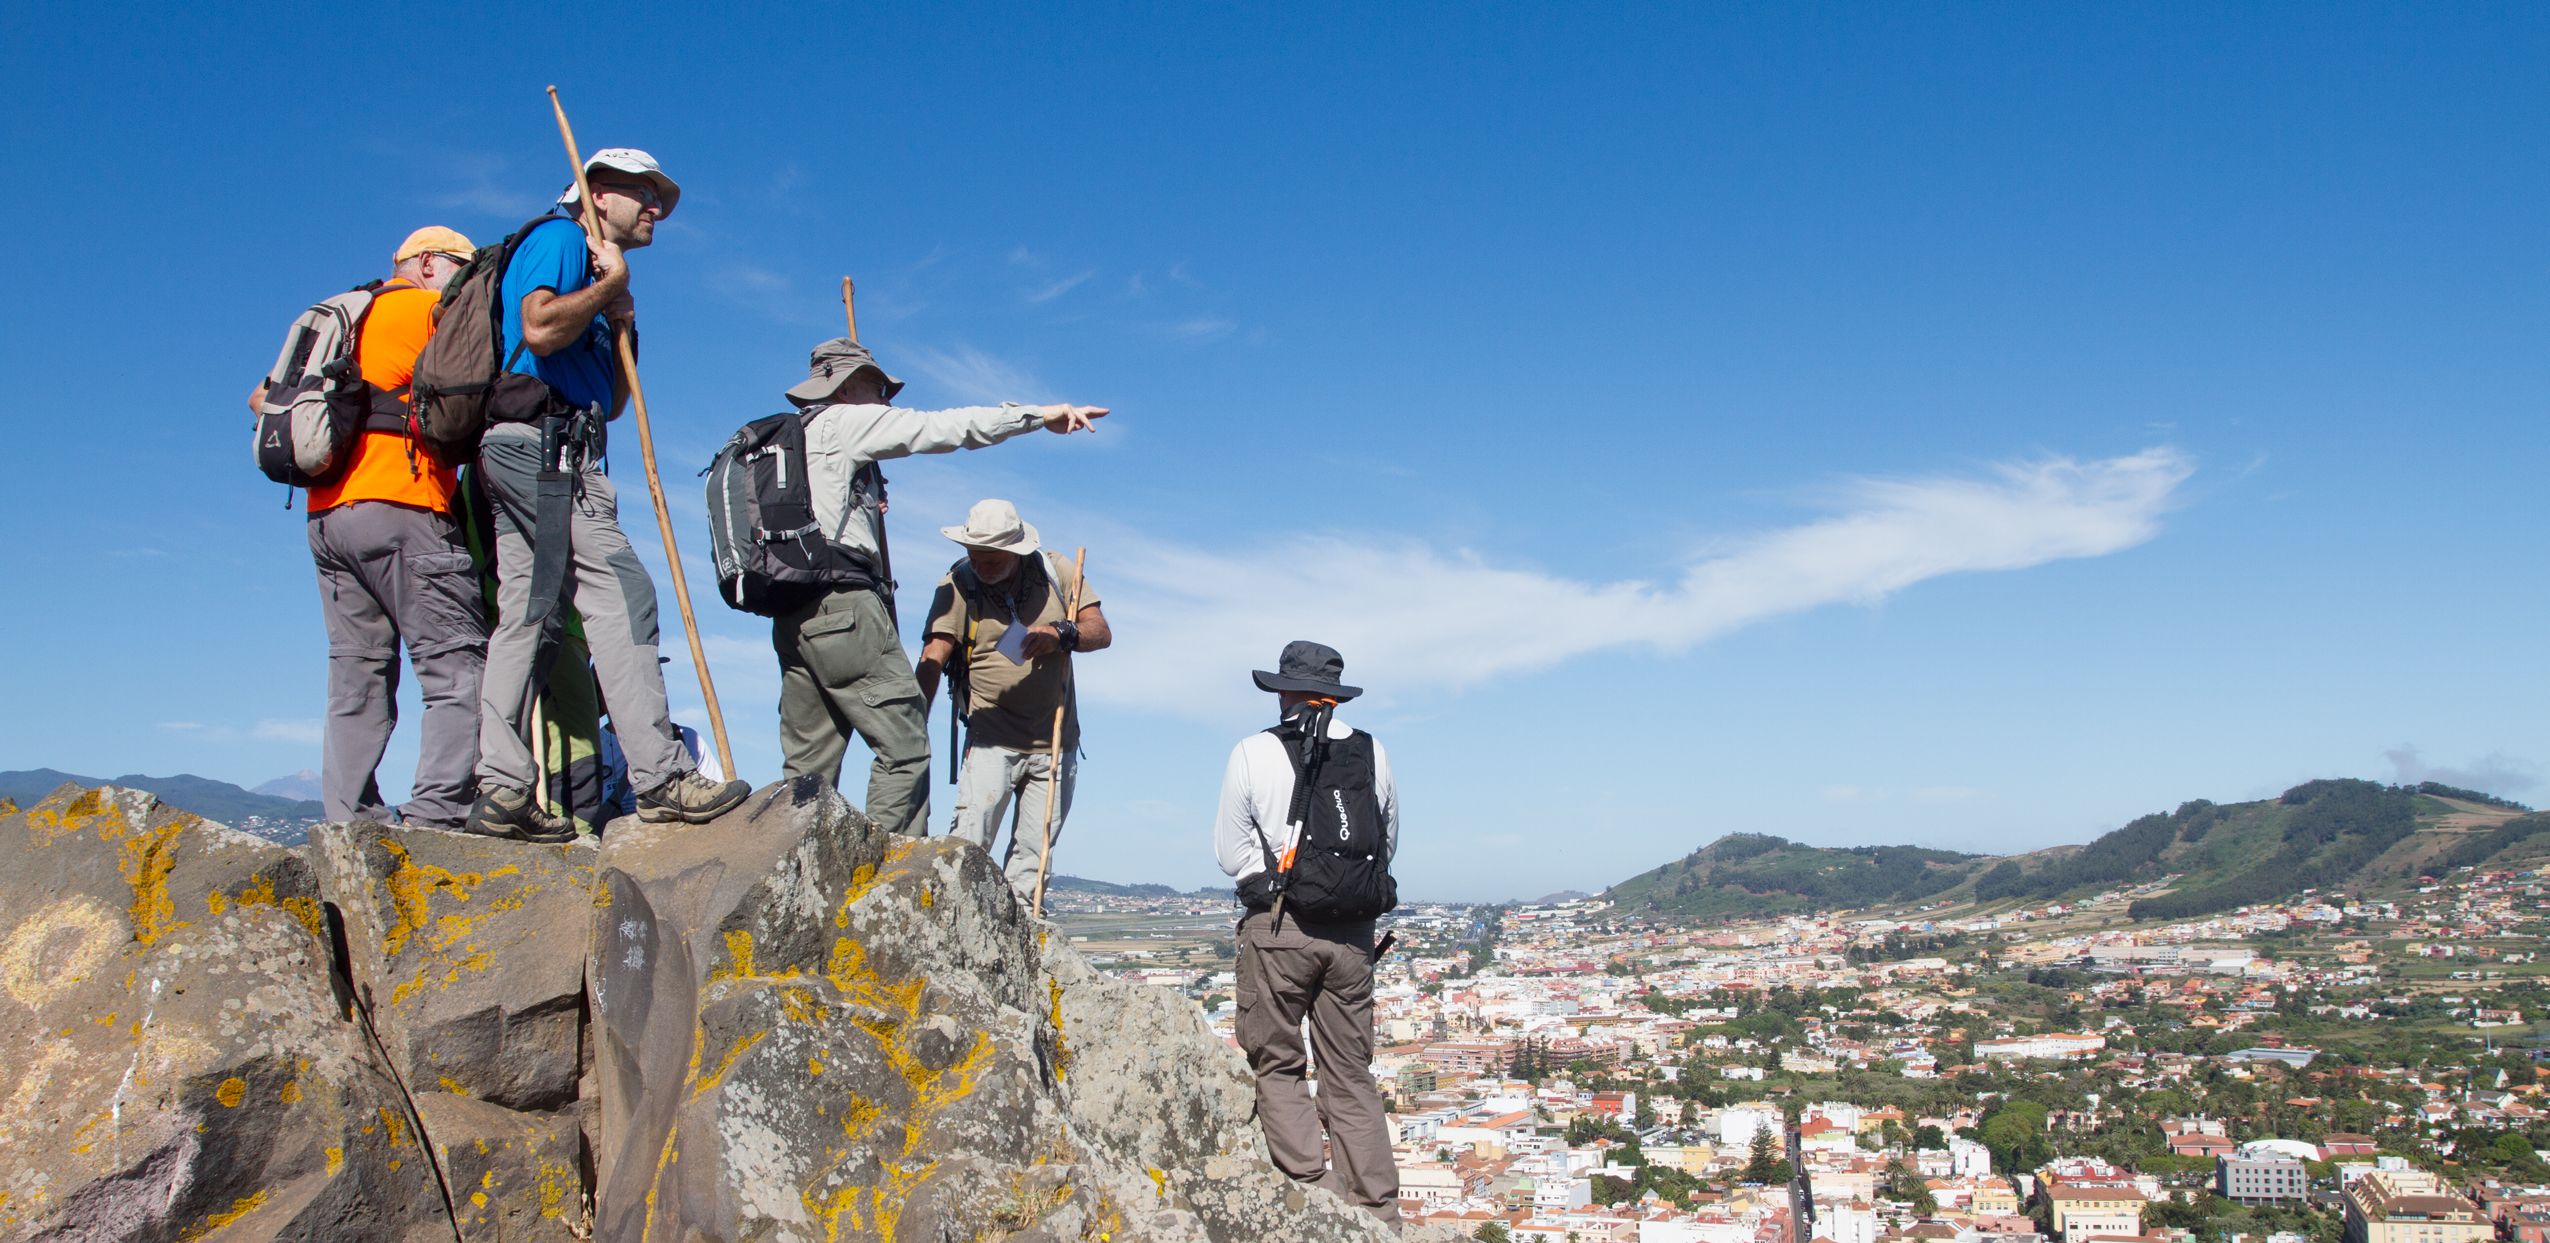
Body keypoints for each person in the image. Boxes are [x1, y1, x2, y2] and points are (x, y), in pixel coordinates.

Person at [469, 147, 746, 838]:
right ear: (598, 192)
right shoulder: (561, 238)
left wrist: (622, 322)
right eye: (643, 194)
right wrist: (605, 286)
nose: (655, 209)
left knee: (528, 615)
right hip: (549, 452)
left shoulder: (590, 271)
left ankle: (502, 786)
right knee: (624, 595)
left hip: (535, 445)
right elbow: (537, 325)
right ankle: (659, 776)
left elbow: (616, 401)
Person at [773, 339, 1107, 836]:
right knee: (905, 745)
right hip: (844, 605)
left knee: (808, 763)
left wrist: (864, 498)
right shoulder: (845, 422)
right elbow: (944, 428)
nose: (885, 401)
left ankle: (791, 856)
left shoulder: (792, 440)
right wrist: (1039, 416)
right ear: (847, 387)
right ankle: (888, 876)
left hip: (794, 607)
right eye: (877, 387)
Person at [265, 226, 486, 829]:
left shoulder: (342, 315)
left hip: (326, 514)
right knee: (455, 665)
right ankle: (440, 812)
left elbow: (262, 399)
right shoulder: (424, 309)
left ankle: (347, 818)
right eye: (462, 272)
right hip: (404, 506)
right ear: (430, 263)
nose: (465, 287)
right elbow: (471, 397)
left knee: (357, 673)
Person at [1212, 641, 1401, 1226]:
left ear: (1281, 690)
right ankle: (1380, 1213)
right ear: (1337, 693)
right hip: (1354, 937)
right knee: (1350, 1072)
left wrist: (1271, 883)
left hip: (1281, 929)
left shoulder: (1254, 751)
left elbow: (1229, 853)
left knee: (1279, 1063)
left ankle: (1313, 1199)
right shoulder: (1372, 752)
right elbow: (1386, 843)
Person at [915, 501, 1112, 890]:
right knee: (965, 852)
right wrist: (912, 725)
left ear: (1016, 552)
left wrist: (1061, 635)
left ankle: (1020, 942)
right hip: (990, 741)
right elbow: (933, 655)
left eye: (992, 559)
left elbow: (1101, 633)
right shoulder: (957, 584)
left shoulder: (1056, 571)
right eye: (975, 556)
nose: (982, 566)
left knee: (1032, 865)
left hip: (1055, 745)